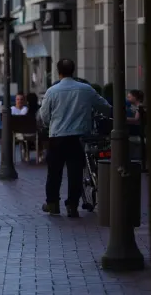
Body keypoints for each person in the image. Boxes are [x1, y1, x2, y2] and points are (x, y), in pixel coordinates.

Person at [39, 59, 111, 217]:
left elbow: (44, 115)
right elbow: (104, 106)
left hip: (57, 136)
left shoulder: (52, 91)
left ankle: (52, 204)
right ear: (73, 70)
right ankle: (72, 206)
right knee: (76, 173)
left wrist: (48, 124)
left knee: (54, 172)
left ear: (59, 72)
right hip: (79, 137)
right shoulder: (86, 89)